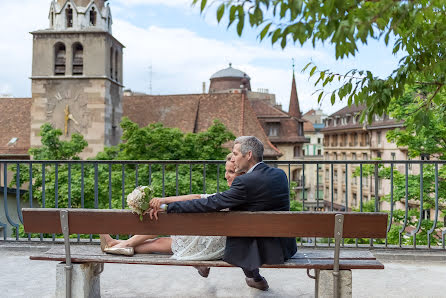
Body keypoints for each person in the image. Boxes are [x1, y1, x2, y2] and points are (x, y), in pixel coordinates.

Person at [150, 136, 297, 291]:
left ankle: (250, 275)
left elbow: (211, 203)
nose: (233, 159)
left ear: (248, 155)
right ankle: (254, 277)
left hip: (260, 248)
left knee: (235, 236)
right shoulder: (280, 175)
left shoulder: (244, 182)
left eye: (235, 154)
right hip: (283, 246)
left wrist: (168, 207)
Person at [100, 153, 242, 277]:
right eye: (226, 171)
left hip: (209, 245)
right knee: (158, 242)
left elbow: (198, 198)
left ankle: (124, 243)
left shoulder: (233, 195)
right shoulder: (239, 193)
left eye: (231, 172)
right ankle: (117, 244)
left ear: (241, 174)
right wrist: (163, 201)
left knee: (163, 220)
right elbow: (199, 196)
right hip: (215, 245)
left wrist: (163, 203)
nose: (226, 175)